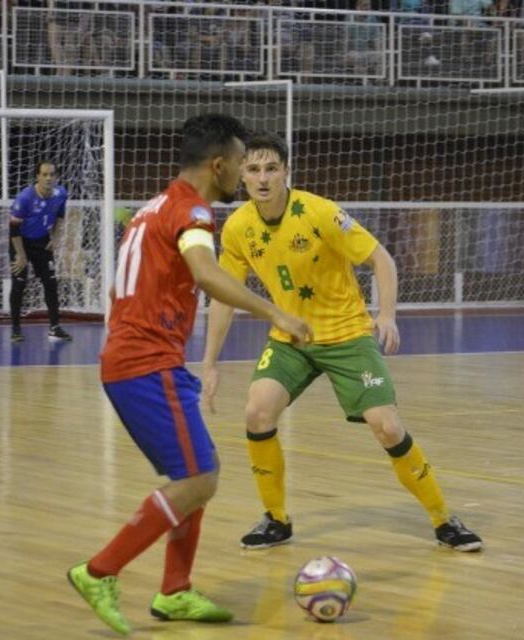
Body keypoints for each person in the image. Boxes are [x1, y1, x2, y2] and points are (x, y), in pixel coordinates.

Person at [66, 115, 312, 635]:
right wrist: (277, 313)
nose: (245, 173)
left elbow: (129, 285)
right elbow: (205, 272)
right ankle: (100, 571)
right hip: (145, 363)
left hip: (141, 358)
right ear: (219, 165)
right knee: (199, 478)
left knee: (198, 473)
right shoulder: (194, 211)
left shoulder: (154, 207)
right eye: (241, 163)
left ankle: (175, 591)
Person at [200, 133, 483, 552]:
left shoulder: (320, 212)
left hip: (348, 334)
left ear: (286, 172)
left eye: (271, 169)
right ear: (241, 174)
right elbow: (224, 296)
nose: (262, 178)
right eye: (254, 169)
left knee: (387, 428)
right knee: (257, 413)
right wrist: (209, 362)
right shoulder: (239, 228)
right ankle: (276, 520)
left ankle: (445, 520)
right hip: (292, 339)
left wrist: (386, 315)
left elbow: (381, 259)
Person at [8, 160, 72, 342]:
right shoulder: (25, 199)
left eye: (52, 174)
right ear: (37, 176)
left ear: (56, 177)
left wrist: (56, 236)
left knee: (51, 283)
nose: (48, 178)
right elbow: (13, 229)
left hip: (43, 242)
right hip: (20, 242)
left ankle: (55, 328)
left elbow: (60, 215)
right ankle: (16, 329)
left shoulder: (61, 193)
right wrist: (21, 255)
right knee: (19, 284)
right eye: (44, 174)